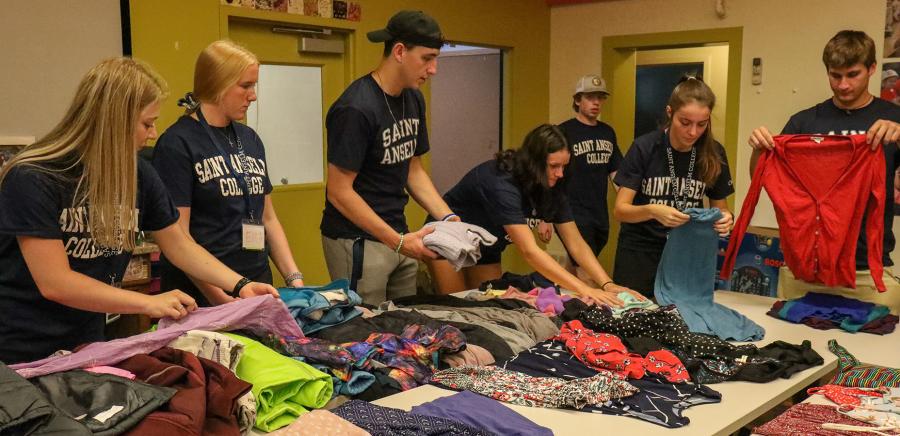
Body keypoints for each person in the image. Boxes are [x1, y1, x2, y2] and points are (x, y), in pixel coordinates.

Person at [0, 58, 278, 364]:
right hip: (20, 347)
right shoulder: (33, 177)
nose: (154, 133)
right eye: (147, 123)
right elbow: (56, 282)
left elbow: (180, 244)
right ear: (114, 120)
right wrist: (148, 303)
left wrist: (240, 284)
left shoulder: (138, 175)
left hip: (86, 341)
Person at [747, 30, 900, 311]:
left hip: (867, 271)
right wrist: (759, 148)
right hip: (804, 271)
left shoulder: (893, 118)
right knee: (794, 351)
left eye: (852, 74)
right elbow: (763, 178)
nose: (842, 85)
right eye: (835, 75)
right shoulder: (804, 122)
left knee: (874, 355)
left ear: (872, 69)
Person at [152, 40, 304, 307]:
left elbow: (268, 219)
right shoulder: (177, 143)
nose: (253, 96)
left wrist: (296, 282)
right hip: (204, 294)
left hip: (255, 283)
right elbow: (180, 240)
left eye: (254, 86)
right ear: (217, 84)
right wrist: (221, 299)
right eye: (245, 86)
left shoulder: (250, 139)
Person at [321, 10, 457, 304]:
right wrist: (396, 241)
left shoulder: (413, 98)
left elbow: (413, 168)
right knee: (368, 330)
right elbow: (339, 191)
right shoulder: (355, 107)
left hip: (401, 232)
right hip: (357, 238)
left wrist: (449, 218)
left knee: (404, 325)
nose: (433, 69)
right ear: (399, 51)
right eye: (427, 58)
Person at [425, 124, 643, 306]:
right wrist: (584, 289)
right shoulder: (501, 182)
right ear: (534, 162)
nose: (560, 173)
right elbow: (530, 251)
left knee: (487, 307)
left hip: (487, 245)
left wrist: (606, 283)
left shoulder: (554, 183)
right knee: (457, 306)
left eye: (564, 166)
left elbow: (576, 242)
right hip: (449, 239)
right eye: (554, 166)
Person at [613, 77, 735, 299]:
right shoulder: (645, 147)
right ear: (670, 112)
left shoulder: (714, 152)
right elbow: (620, 210)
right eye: (685, 122)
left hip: (686, 254)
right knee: (635, 322)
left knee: (684, 322)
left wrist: (726, 218)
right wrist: (652, 210)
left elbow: (721, 209)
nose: (693, 132)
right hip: (640, 254)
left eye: (702, 124)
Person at [542, 74, 622, 285]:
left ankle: (562, 301)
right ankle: (590, 312)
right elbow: (551, 175)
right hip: (571, 210)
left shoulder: (607, 132)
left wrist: (627, 203)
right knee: (586, 268)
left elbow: (615, 172)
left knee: (576, 265)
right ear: (578, 100)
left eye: (600, 97)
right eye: (589, 97)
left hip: (599, 211)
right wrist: (545, 217)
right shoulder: (564, 131)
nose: (596, 102)